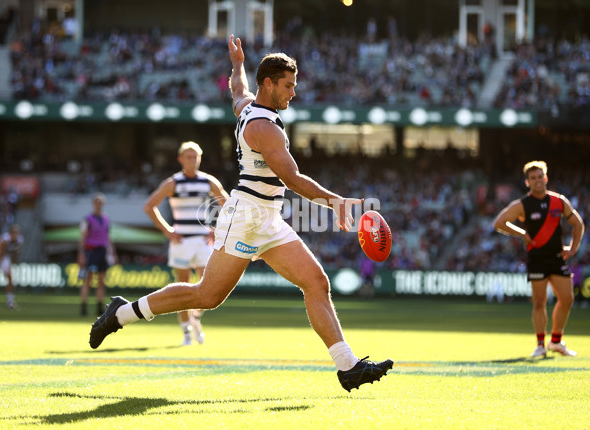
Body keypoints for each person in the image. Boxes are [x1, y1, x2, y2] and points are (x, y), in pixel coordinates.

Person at [89, 35, 393, 392]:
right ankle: (122, 313)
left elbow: (238, 90)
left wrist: (237, 64)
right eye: (288, 85)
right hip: (247, 217)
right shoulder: (263, 127)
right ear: (269, 83)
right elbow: (291, 178)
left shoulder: (248, 106)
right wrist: (336, 202)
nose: (293, 93)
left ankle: (348, 367)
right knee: (207, 296)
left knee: (317, 282)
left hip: (268, 217)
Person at [494, 161, 585, 357]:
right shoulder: (523, 204)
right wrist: (522, 234)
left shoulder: (558, 201)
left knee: (567, 298)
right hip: (536, 259)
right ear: (527, 182)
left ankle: (556, 341)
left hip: (557, 257)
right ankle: (540, 345)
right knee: (539, 302)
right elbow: (499, 222)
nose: (537, 181)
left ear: (546, 178)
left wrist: (573, 248)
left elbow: (578, 224)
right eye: (532, 178)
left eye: (540, 177)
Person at [144, 141, 229, 345]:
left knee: (209, 287)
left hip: (202, 241)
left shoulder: (208, 181)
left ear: (200, 159)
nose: (192, 160)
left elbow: (228, 206)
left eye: (195, 157)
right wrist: (167, 231)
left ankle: (195, 318)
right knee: (182, 289)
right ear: (180, 159)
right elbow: (149, 206)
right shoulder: (173, 183)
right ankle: (186, 333)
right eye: (188, 157)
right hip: (181, 242)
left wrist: (218, 229)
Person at [78, 193, 117, 317]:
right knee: (88, 280)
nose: (98, 205)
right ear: (93, 204)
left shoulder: (106, 219)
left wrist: (112, 252)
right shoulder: (87, 219)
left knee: (101, 280)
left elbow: (108, 237)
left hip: (102, 251)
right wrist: (81, 253)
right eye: (96, 202)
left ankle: (99, 306)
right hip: (91, 251)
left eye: (100, 202)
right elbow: (83, 237)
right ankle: (83, 307)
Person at [0, 224, 23, 309]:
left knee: (10, 278)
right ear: (10, 233)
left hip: (5, 257)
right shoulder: (4, 240)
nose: (15, 235)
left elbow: (15, 253)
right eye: (13, 233)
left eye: (16, 233)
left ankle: (10, 301)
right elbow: (0, 254)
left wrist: (13, 263)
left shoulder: (20, 240)